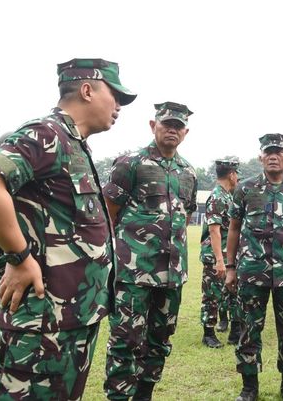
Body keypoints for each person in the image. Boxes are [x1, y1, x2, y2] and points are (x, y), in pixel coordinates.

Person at [0, 58, 136, 401]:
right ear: (87, 90)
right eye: (114, 95)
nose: (118, 107)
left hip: (73, 315)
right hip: (44, 322)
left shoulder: (74, 142)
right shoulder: (47, 133)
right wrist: (19, 257)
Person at [102, 101, 198, 401]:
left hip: (172, 275)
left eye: (178, 126)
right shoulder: (130, 164)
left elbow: (186, 215)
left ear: (186, 132)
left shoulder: (188, 173)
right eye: (166, 123)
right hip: (133, 272)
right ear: (152, 125)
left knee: (159, 340)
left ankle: (145, 394)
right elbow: (108, 215)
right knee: (125, 340)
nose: (172, 129)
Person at [225, 133, 283, 401]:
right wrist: (230, 267)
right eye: (268, 152)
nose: (273, 156)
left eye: (279, 151)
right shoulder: (246, 188)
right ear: (260, 157)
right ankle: (249, 387)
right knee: (249, 329)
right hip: (252, 272)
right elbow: (234, 228)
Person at [199, 158, 241, 348]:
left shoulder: (227, 196)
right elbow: (214, 230)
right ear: (231, 175)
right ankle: (208, 333)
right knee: (212, 295)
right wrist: (219, 260)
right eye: (236, 174)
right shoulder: (217, 196)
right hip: (216, 256)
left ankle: (235, 332)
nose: (237, 178)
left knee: (231, 293)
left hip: (227, 255)